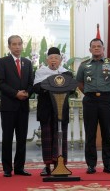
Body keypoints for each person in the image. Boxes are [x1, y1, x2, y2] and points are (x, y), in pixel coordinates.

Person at [76, 38, 110, 174]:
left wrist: (105, 93)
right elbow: (80, 83)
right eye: (93, 46)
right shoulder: (83, 65)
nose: (96, 48)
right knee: (90, 133)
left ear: (103, 48)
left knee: (107, 133)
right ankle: (91, 165)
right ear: (90, 49)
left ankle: (108, 164)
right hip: (90, 100)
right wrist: (90, 94)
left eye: (98, 46)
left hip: (106, 100)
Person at [0, 35, 33, 177]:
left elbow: (31, 82)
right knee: (7, 138)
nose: (17, 47)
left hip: (23, 106)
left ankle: (19, 167)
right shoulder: (2, 62)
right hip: (9, 106)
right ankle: (7, 168)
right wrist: (15, 93)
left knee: (22, 138)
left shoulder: (27, 63)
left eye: (19, 44)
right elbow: (0, 82)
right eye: (14, 44)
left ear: (22, 45)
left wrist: (26, 93)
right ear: (9, 46)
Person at [33, 47, 72, 176]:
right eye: (51, 58)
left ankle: (60, 164)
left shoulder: (66, 73)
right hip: (46, 109)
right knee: (47, 138)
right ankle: (47, 166)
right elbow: (37, 88)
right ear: (47, 60)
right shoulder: (41, 72)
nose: (53, 61)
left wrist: (50, 84)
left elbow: (70, 88)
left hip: (61, 109)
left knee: (60, 137)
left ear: (60, 60)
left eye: (56, 58)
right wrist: (52, 83)